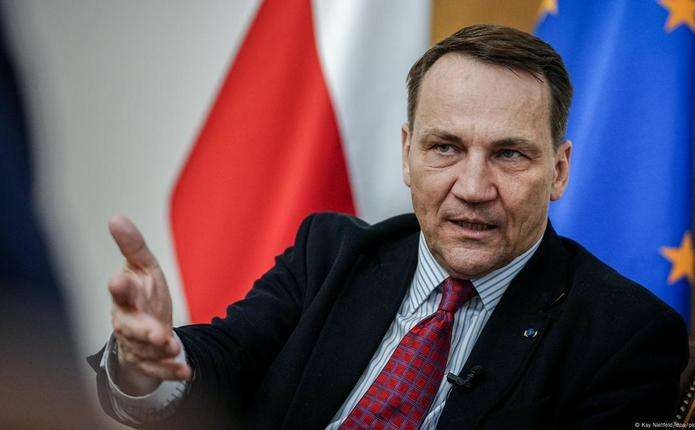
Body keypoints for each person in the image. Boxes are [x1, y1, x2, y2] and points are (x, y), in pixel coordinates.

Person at [89, 24, 688, 429]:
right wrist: (145, 368)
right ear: (407, 155)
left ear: (558, 171)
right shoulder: (329, 255)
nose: (473, 188)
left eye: (509, 154)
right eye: (445, 148)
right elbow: (223, 360)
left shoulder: (626, 336)